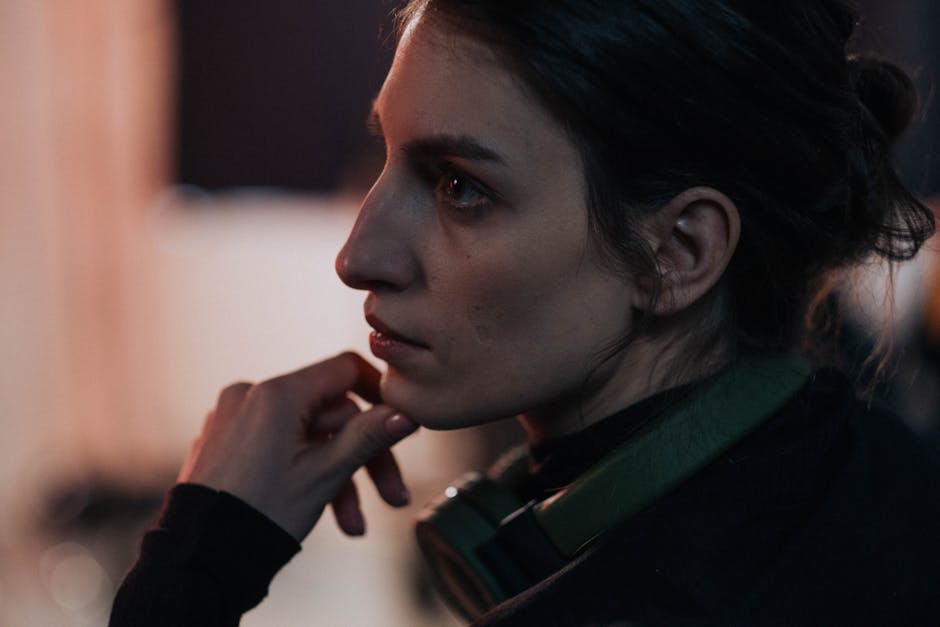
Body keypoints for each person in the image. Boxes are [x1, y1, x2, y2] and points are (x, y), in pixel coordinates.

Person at [110, 1, 940, 625]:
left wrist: (198, 561)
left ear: (678, 251)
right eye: (384, 156)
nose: (358, 254)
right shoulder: (893, 485)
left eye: (460, 187)